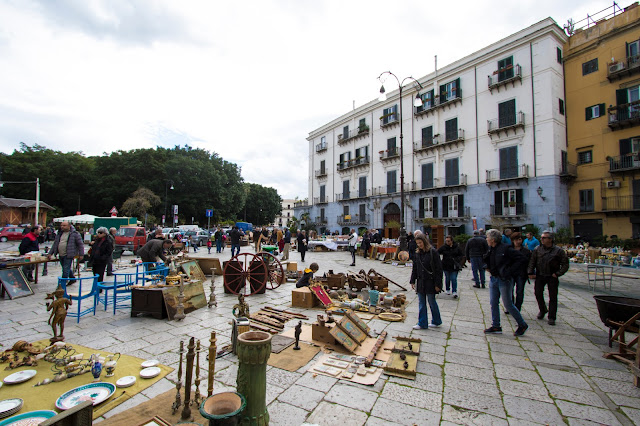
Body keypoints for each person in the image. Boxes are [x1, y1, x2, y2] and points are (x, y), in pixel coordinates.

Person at [483, 229, 528, 336]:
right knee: (493, 302)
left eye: (487, 237)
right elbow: (488, 260)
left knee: (508, 304)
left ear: (493, 239)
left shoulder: (506, 248)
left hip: (504, 279)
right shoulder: (491, 249)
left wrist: (509, 271)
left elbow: (522, 259)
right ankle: (496, 325)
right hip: (494, 278)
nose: (486, 239)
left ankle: (522, 324)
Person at [528, 231, 569, 325]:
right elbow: (532, 261)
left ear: (550, 239)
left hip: (551, 275)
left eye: (544, 238)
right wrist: (530, 272)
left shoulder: (558, 251)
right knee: (538, 293)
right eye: (541, 237)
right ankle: (542, 309)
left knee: (553, 297)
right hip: (540, 275)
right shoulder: (537, 249)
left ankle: (552, 316)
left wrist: (558, 273)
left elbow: (565, 264)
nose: (542, 239)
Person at [409, 233, 443, 329]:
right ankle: (422, 323)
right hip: (420, 281)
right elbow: (415, 268)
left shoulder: (433, 252)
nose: (419, 245)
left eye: (420, 243)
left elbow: (439, 269)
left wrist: (438, 284)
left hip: (430, 281)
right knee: (421, 302)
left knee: (432, 301)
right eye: (417, 243)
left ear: (424, 242)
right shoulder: (417, 254)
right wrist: (412, 280)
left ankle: (436, 320)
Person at [510, 232, 531, 312]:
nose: (518, 241)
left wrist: (529, 272)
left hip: (521, 273)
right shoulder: (509, 249)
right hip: (511, 273)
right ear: (512, 240)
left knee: (519, 291)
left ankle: (517, 307)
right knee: (509, 291)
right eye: (516, 239)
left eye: (520, 239)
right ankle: (510, 306)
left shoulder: (526, 251)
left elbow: (529, 262)